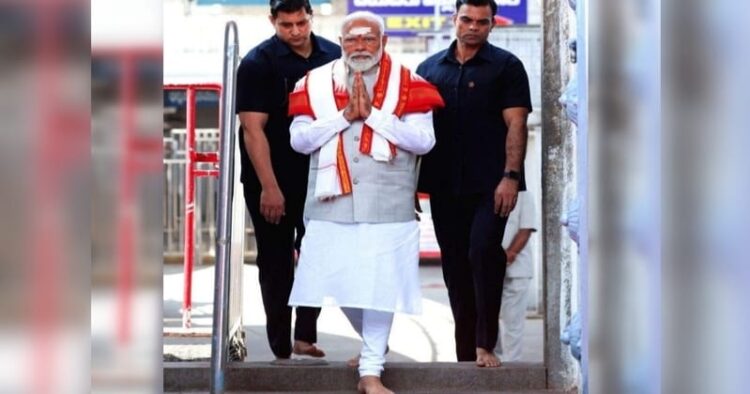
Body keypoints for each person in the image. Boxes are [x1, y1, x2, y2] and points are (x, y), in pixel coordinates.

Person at [286, 11, 444, 394]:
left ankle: (370, 371)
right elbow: (299, 140)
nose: (360, 46)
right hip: (329, 201)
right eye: (351, 39)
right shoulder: (315, 82)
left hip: (387, 203)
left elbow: (424, 141)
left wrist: (372, 116)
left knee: (380, 287)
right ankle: (377, 346)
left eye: (368, 39)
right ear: (340, 43)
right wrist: (343, 117)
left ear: (384, 41)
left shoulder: (411, 84)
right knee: (335, 282)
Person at [416, 0, 533, 368]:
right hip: (443, 184)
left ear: (491, 25)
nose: (473, 27)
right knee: (455, 268)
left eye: (482, 22)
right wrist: (409, 187)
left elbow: (516, 124)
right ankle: (465, 354)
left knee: (483, 252)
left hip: (491, 185)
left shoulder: (507, 68)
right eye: (466, 19)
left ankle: (486, 345)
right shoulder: (428, 68)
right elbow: (413, 131)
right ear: (455, 19)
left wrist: (511, 177)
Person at [235, 0, 341, 361]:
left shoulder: (334, 54)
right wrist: (269, 186)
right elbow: (252, 130)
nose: (295, 31)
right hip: (271, 177)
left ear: (311, 17)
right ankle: (280, 345)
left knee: (318, 255)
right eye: (286, 25)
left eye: (301, 22)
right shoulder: (256, 63)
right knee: (277, 259)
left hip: (320, 176)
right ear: (272, 21)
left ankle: (304, 336)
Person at [495, 190, 537, 362]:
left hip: (517, 271)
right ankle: (494, 360)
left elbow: (526, 230)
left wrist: (508, 255)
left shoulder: (525, 194)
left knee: (513, 324)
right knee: (488, 320)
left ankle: (513, 364)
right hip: (490, 268)